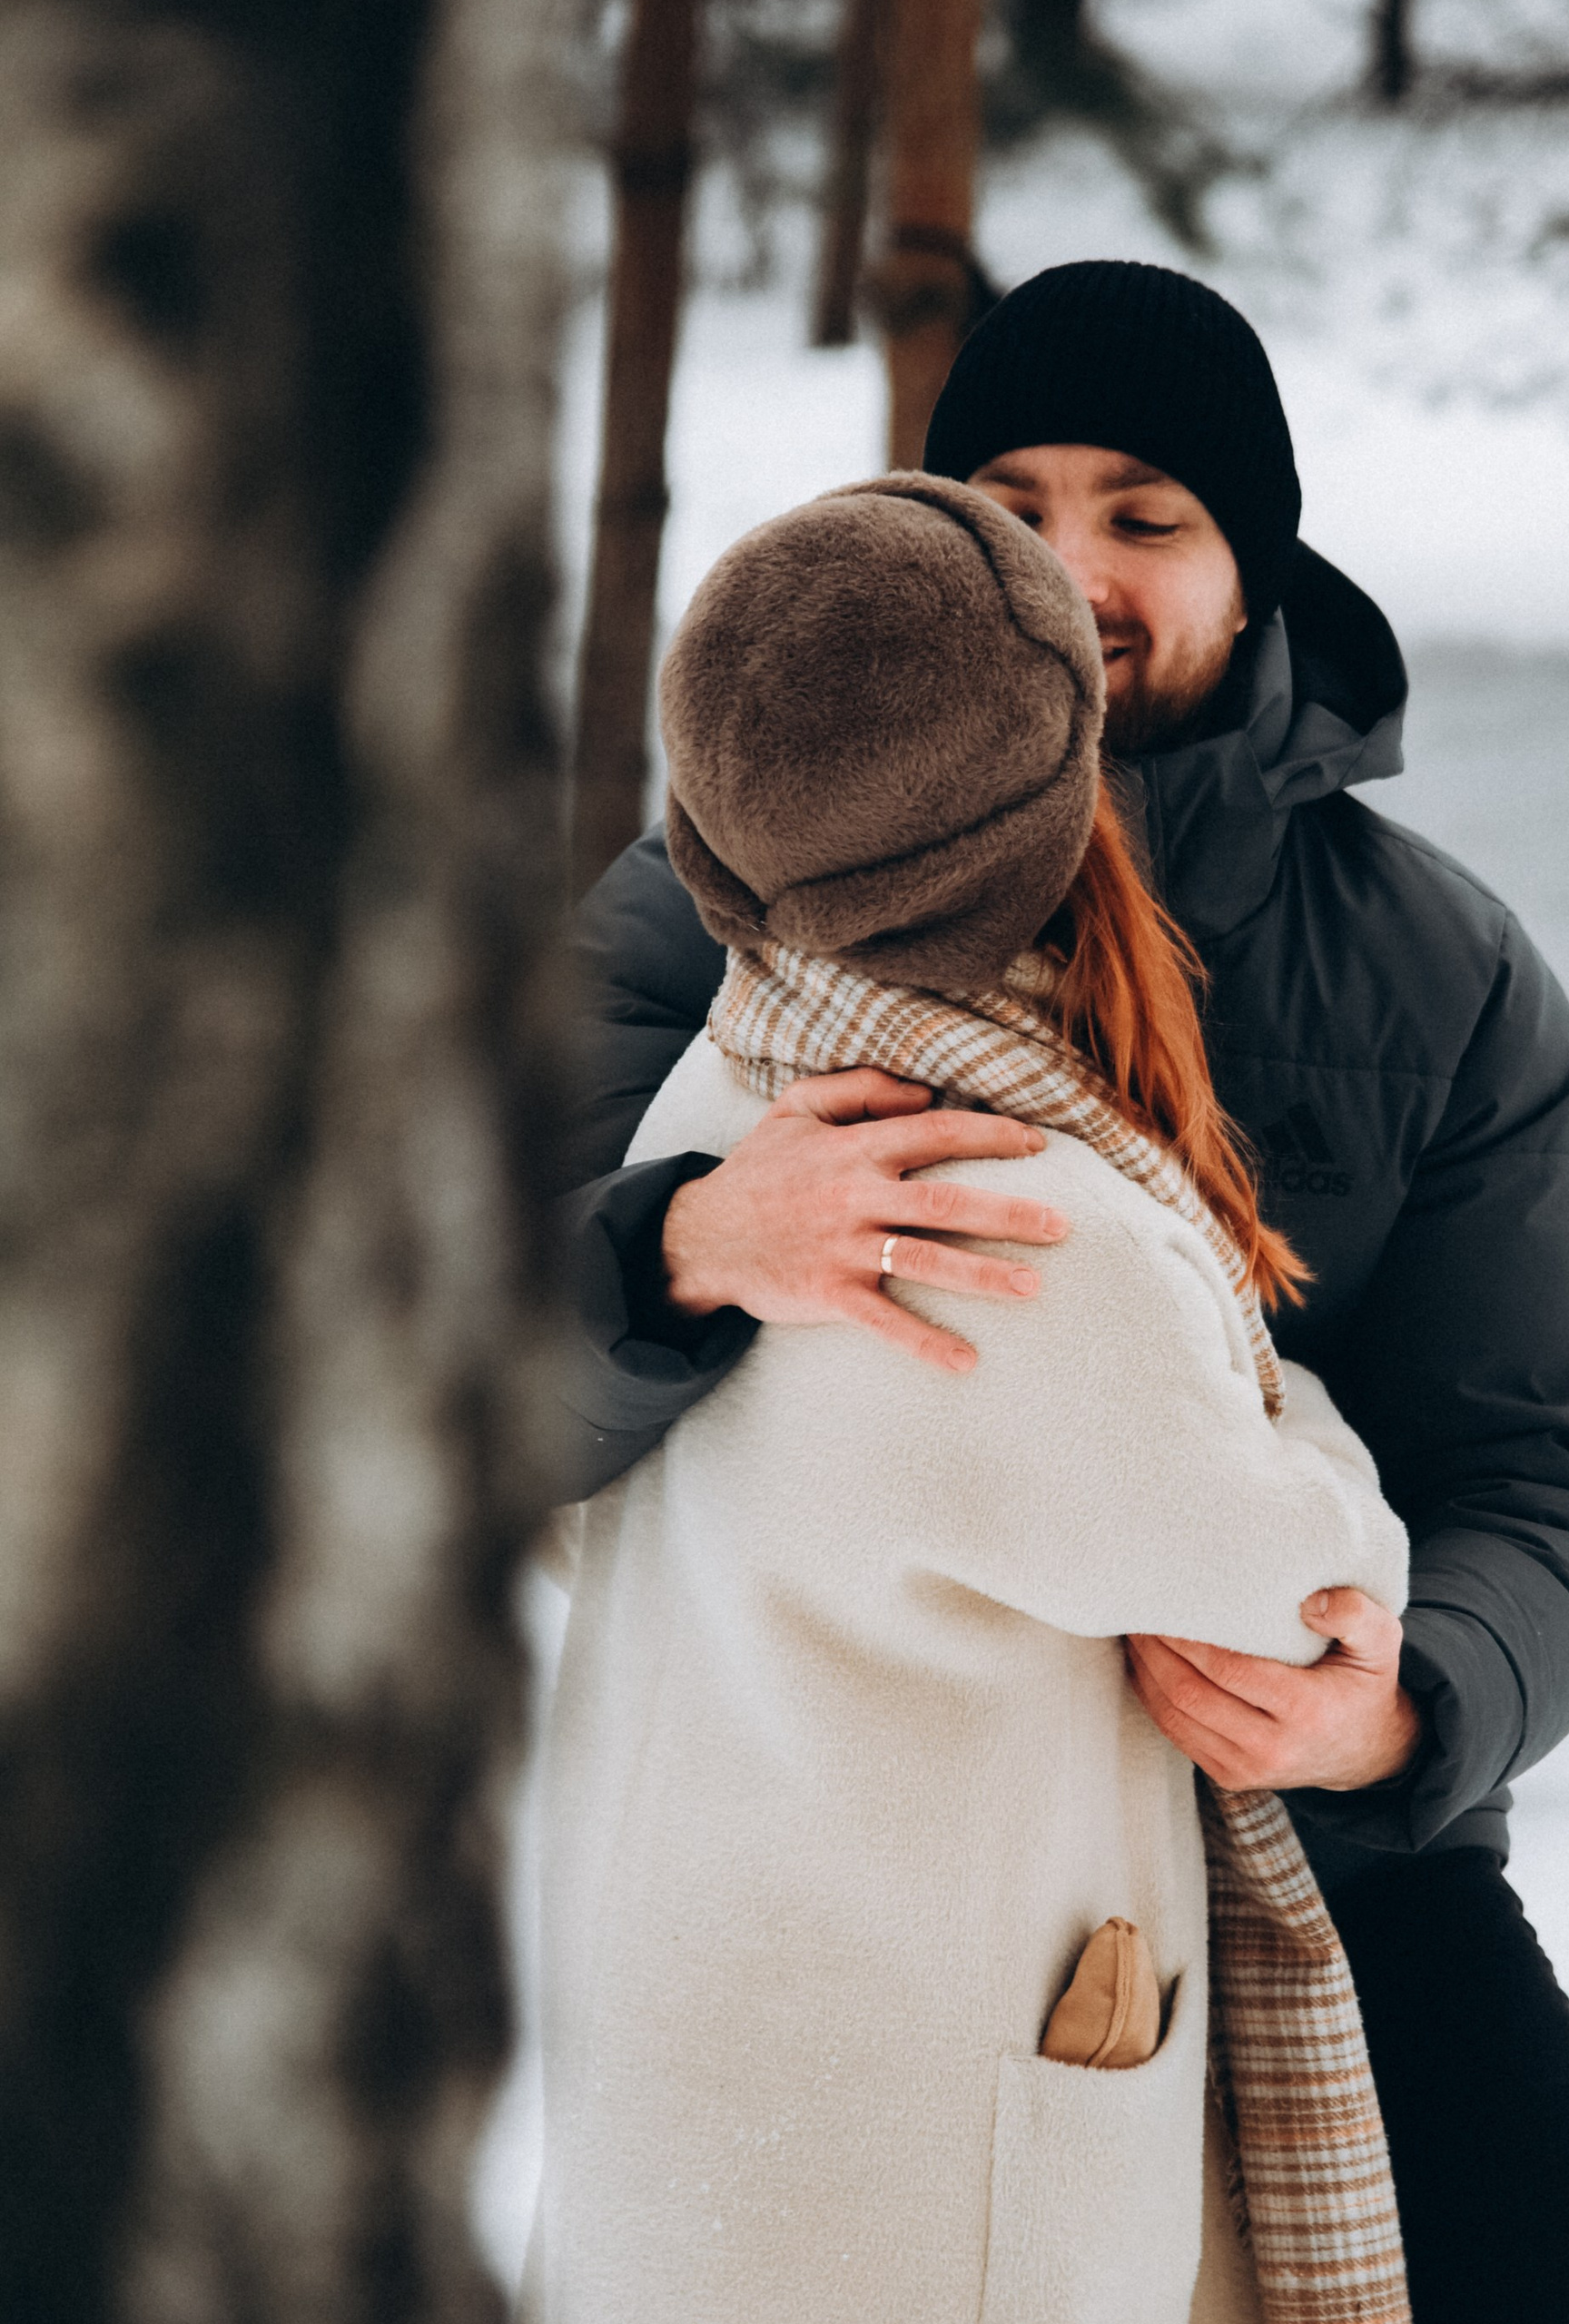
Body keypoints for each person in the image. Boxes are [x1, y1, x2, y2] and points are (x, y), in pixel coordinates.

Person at [556, 261, 1569, 2321]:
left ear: (1250, 570)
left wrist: (1403, 1703)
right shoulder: (712, 907)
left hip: (1320, 1852)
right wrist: (677, 1244)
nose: (1070, 565)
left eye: (1144, 511)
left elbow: (1549, 1475)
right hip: (872, 1851)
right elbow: (411, 1374)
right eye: (1009, 500)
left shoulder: (1440, 975)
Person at [531, 473, 1410, 2324]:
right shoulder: (1009, 1212)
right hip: (910, 2125)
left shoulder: (729, 1091)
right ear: (1051, 807)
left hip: (706, 2044)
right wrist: (1306, 1422)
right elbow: (1283, 1575)